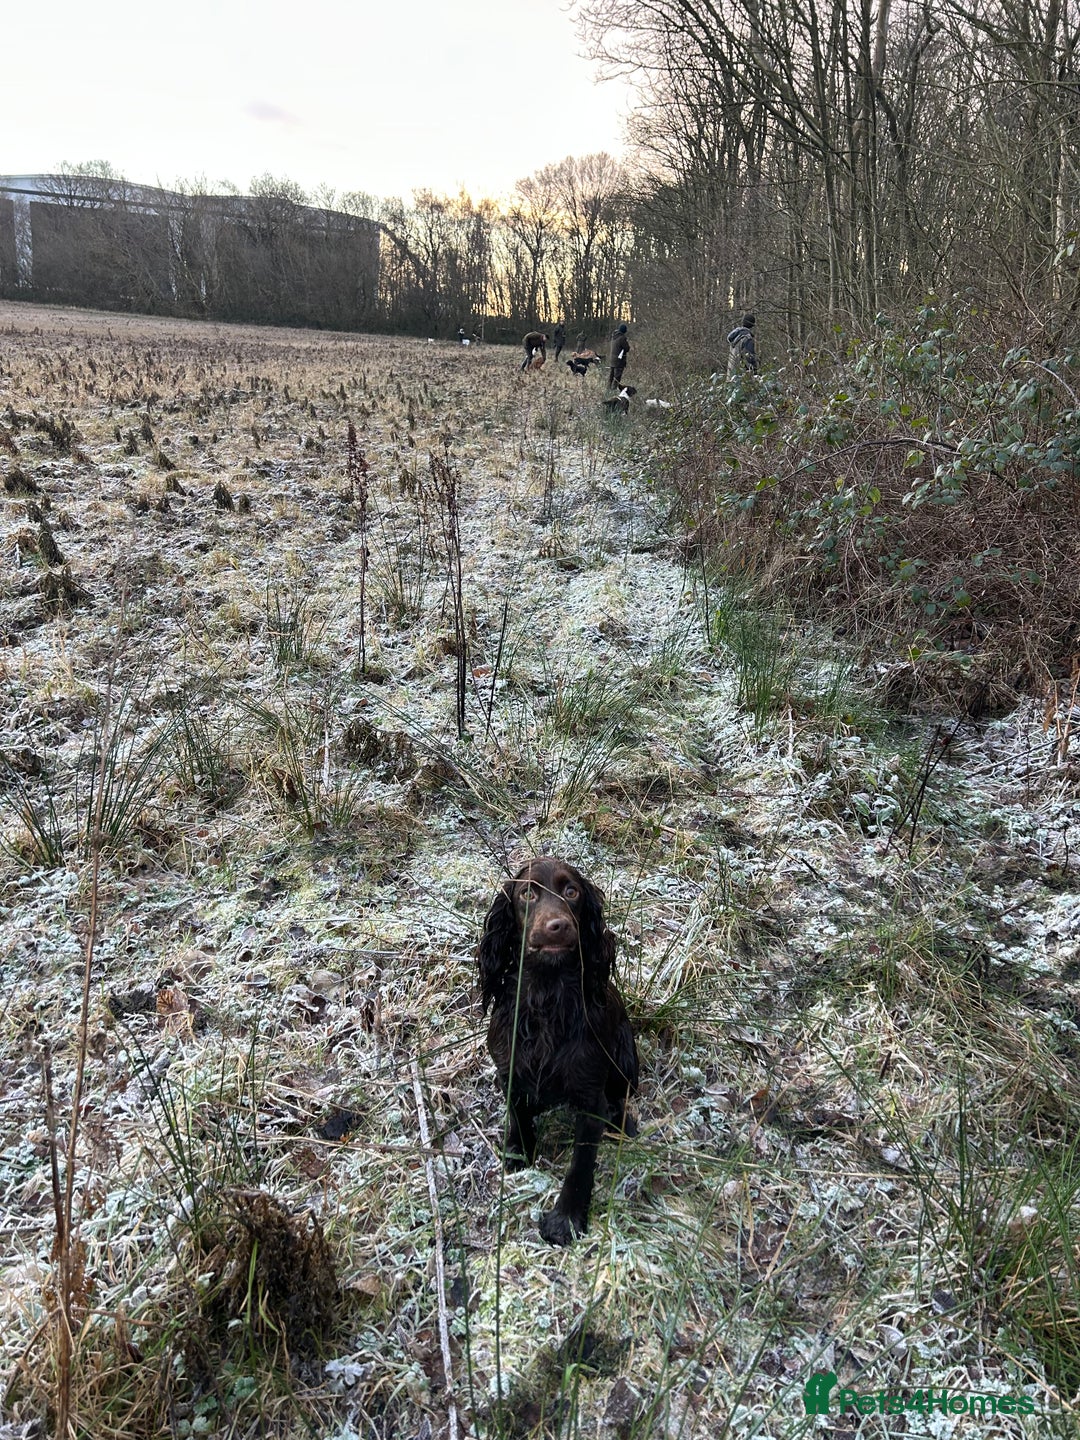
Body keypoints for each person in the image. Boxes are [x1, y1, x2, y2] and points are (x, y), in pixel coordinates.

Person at [727, 312, 757, 376]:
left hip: (731, 374)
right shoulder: (747, 338)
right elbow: (750, 358)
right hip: (741, 377)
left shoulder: (735, 337)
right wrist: (755, 371)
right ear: (752, 325)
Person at [607, 323, 629, 388]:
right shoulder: (622, 338)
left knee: (611, 375)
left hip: (612, 359)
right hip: (619, 360)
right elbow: (627, 348)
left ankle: (608, 389)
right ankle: (613, 390)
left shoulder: (613, 336)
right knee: (617, 376)